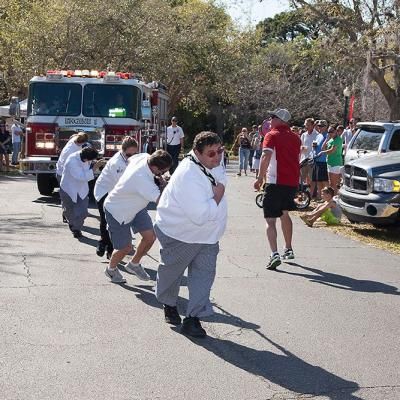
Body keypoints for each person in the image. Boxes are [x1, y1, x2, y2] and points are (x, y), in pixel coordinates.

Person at [155, 131, 227, 338]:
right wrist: (218, 193)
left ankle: (193, 318)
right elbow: (201, 214)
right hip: (181, 234)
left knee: (204, 277)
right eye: (211, 154)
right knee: (171, 272)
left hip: (209, 236)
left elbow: (221, 177)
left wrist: (218, 190)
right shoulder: (188, 174)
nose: (217, 157)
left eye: (220, 151)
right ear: (197, 152)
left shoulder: (213, 163)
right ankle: (169, 303)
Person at [104, 150, 172, 284]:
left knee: (150, 237)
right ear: (154, 167)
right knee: (125, 248)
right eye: (162, 171)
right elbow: (162, 201)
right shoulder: (143, 180)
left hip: (137, 207)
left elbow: (130, 159)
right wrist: (166, 186)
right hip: (118, 211)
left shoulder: (145, 157)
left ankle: (133, 264)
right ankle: (110, 270)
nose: (163, 174)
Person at [254, 108, 301, 271]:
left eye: (272, 117)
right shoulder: (296, 138)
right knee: (285, 214)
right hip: (291, 182)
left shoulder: (271, 135)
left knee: (270, 220)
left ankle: (274, 254)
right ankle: (288, 248)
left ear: (279, 120)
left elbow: (266, 156)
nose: (270, 120)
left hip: (275, 181)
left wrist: (260, 178)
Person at [94, 137, 138, 259]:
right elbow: (123, 184)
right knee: (107, 219)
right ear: (122, 151)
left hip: (116, 192)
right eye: (129, 154)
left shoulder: (131, 160)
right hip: (104, 192)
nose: (132, 157)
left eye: (135, 154)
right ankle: (109, 248)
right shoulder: (116, 163)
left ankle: (103, 243)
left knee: (115, 221)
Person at [60, 147, 99, 238]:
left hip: (82, 189)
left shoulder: (85, 157)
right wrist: (94, 168)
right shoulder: (72, 161)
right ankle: (70, 220)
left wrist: (94, 163)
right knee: (69, 210)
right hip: (68, 188)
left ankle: (76, 229)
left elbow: (85, 171)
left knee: (83, 212)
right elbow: (81, 177)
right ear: (85, 158)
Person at [317, 126, 343, 195]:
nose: (330, 133)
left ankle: (334, 200)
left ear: (335, 131)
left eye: (331, 131)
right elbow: (323, 148)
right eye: (329, 132)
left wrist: (323, 152)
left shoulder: (338, 139)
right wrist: (327, 139)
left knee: (334, 184)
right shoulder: (330, 139)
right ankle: (332, 199)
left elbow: (332, 150)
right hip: (329, 163)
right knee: (331, 183)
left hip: (336, 163)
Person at [312, 120, 329, 200]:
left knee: (324, 181)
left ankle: (327, 197)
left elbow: (325, 148)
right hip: (317, 160)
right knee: (318, 180)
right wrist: (314, 147)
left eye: (321, 126)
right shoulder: (318, 135)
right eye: (318, 126)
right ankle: (320, 196)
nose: (320, 127)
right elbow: (315, 146)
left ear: (326, 127)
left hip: (324, 161)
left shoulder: (327, 136)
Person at [300, 118, 318, 185]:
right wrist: (302, 147)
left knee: (311, 179)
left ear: (313, 125)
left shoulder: (317, 135)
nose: (306, 127)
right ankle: (302, 193)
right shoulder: (303, 135)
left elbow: (318, 148)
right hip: (304, 159)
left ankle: (310, 194)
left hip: (312, 161)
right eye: (305, 125)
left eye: (308, 125)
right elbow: (300, 146)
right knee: (301, 179)